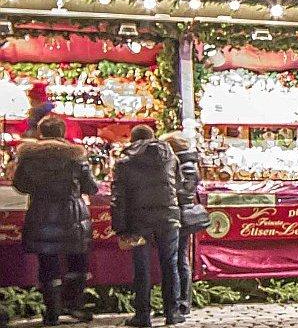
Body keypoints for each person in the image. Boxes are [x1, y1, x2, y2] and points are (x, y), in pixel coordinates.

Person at [17, 118, 97, 326]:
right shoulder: (76, 156)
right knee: (77, 263)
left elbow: (19, 184)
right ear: (63, 133)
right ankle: (74, 306)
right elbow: (91, 187)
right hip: (73, 215)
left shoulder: (29, 156)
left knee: (47, 263)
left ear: (41, 133)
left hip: (41, 213)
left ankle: (51, 312)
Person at [111, 125, 186, 327]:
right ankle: (173, 312)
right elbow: (179, 185)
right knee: (170, 264)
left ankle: (142, 315)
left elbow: (118, 198)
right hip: (168, 218)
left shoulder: (124, 162)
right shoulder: (170, 157)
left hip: (138, 221)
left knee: (141, 267)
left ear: (132, 140)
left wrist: (120, 228)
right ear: (153, 138)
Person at [159, 132, 203, 319]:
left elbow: (184, 189)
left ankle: (183, 301)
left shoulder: (186, 165)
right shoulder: (184, 163)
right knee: (177, 258)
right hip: (178, 212)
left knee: (180, 259)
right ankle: (178, 301)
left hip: (182, 214)